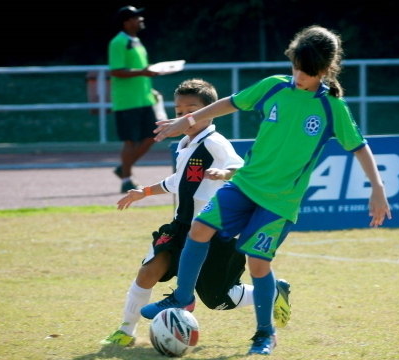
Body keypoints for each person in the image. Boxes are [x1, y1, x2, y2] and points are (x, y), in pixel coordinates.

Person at [141, 26, 392, 355]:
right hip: (244, 186)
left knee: (258, 264)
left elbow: (360, 148)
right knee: (199, 229)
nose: (299, 75)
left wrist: (377, 189)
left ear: (324, 69)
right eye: (296, 66)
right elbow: (228, 104)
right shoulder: (273, 87)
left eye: (307, 70)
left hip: (279, 202)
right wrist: (185, 122)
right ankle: (182, 298)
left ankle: (264, 334)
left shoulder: (333, 108)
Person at [100, 79, 292, 347]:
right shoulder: (185, 144)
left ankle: (272, 293)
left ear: (209, 111)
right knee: (149, 270)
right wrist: (144, 192)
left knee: (218, 299)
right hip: (181, 227)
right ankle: (125, 330)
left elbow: (243, 168)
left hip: (213, 231)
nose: (183, 117)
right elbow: (179, 180)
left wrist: (225, 173)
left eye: (191, 111)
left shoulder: (215, 143)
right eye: (178, 112)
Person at [108, 5, 161, 193]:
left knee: (153, 136)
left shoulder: (136, 41)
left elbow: (140, 70)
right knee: (130, 140)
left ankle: (124, 168)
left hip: (144, 99)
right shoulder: (118, 42)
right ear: (127, 22)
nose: (140, 19)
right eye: (136, 17)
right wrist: (144, 72)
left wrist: (151, 89)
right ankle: (127, 180)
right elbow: (116, 70)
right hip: (127, 101)